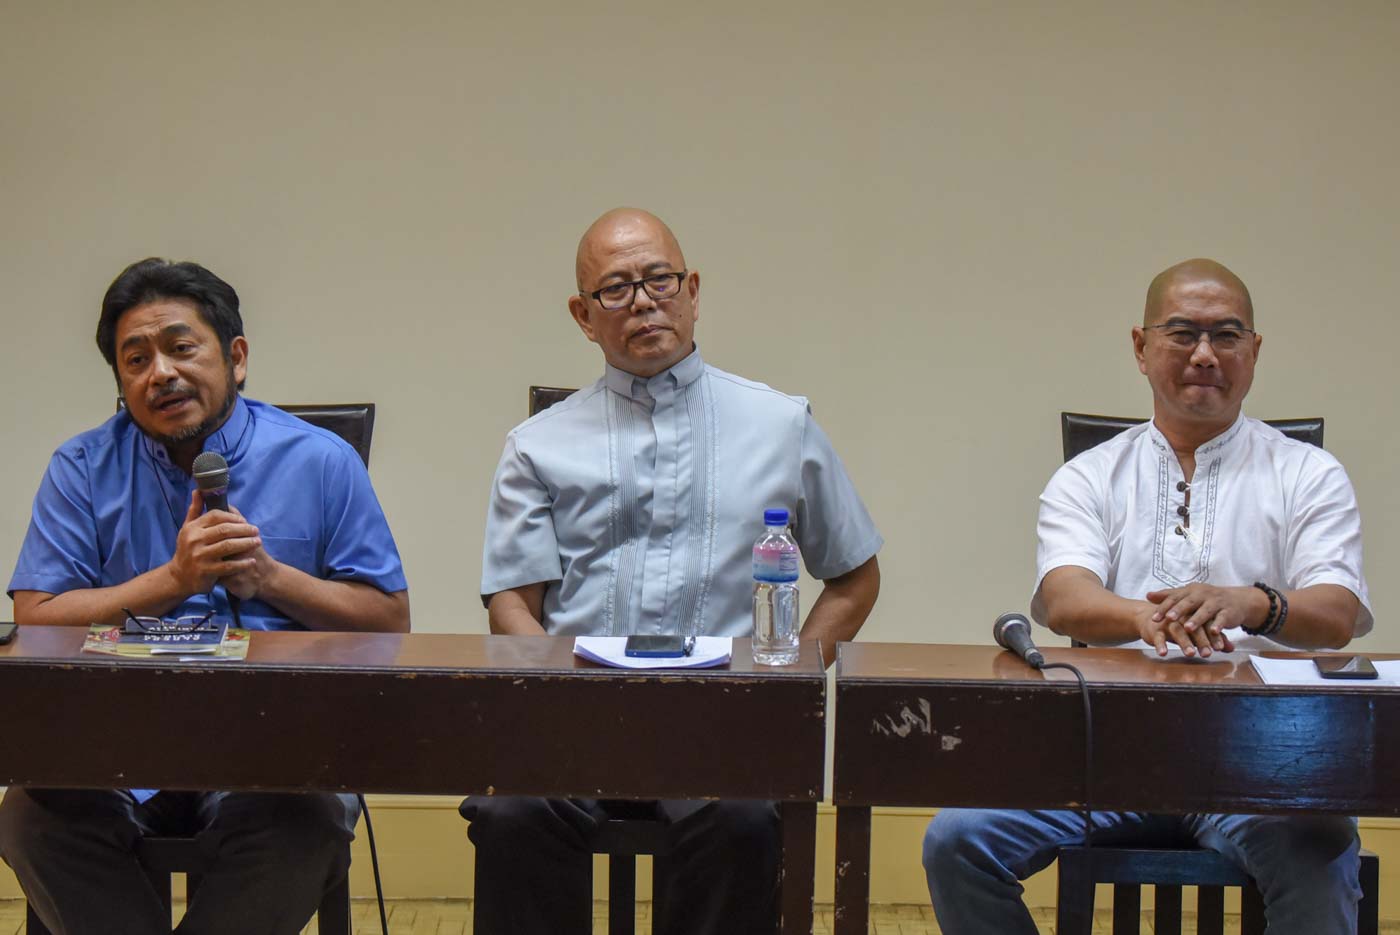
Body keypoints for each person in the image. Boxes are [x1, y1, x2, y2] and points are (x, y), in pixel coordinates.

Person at [921, 258, 1372, 934]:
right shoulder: (1090, 476)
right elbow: (1065, 597)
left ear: (1254, 351)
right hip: (1107, 754)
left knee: (1322, 854)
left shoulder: (1308, 473)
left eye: (1226, 335)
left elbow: (1337, 612)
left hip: (1264, 766)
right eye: (1182, 332)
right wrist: (1147, 615)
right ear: (1140, 346)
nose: (1204, 354)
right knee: (957, 841)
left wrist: (1253, 603)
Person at [466, 207, 882, 934]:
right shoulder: (537, 445)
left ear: (692, 289)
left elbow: (854, 574)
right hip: (576, 719)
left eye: (658, 279)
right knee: (511, 813)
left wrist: (788, 675)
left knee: (744, 821)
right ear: (583, 316)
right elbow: (511, 602)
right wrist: (551, 699)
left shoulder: (780, 423)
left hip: (720, 723)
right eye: (616, 289)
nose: (643, 301)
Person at [0, 257, 410, 934]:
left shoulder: (320, 460)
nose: (160, 373)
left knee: (306, 817)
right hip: (114, 743)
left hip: (274, 746)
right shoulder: (81, 467)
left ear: (236, 357)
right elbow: (36, 616)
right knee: (32, 815)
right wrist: (174, 581)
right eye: (136, 358)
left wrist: (271, 578)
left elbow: (388, 618)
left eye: (181, 347)